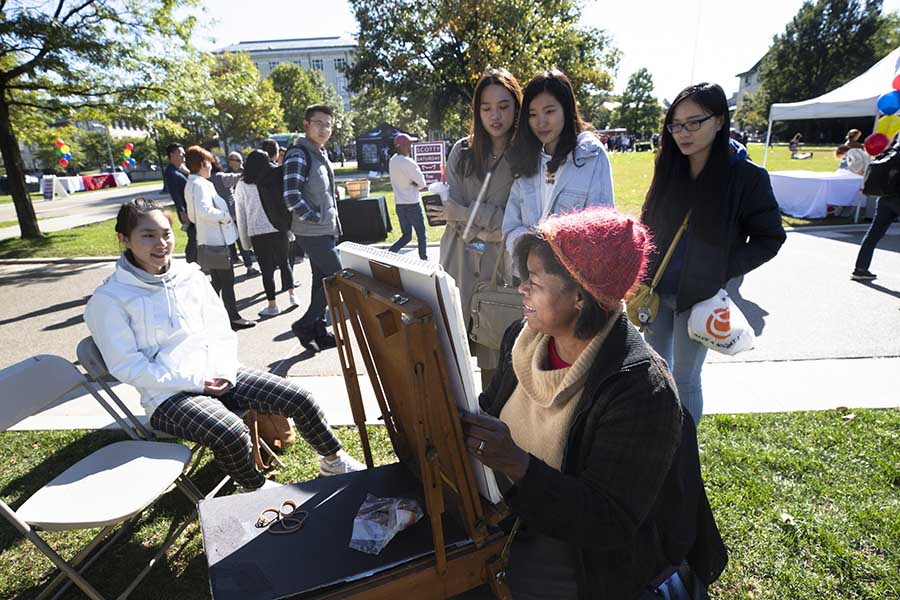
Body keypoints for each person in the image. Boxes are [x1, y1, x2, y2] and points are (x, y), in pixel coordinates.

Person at [460, 208, 726, 600]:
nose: (521, 288)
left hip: (591, 560)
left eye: (534, 280)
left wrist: (516, 462)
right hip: (514, 515)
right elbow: (492, 409)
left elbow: (609, 523)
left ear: (580, 297)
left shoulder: (640, 389)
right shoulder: (523, 336)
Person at [84, 198, 364, 491]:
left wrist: (223, 373)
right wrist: (199, 382)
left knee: (300, 398)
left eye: (166, 233)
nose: (161, 243)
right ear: (124, 239)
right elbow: (128, 367)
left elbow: (220, 329)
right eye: (147, 235)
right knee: (231, 431)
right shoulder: (109, 300)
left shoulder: (189, 275)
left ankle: (334, 460)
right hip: (167, 397)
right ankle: (255, 489)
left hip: (219, 374)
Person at [639, 83, 785, 425]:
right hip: (656, 292)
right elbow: (648, 222)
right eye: (675, 124)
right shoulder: (670, 166)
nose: (683, 133)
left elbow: (770, 237)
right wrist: (641, 270)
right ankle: (659, 438)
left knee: (686, 378)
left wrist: (722, 270)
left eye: (694, 122)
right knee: (656, 369)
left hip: (700, 298)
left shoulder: (746, 177)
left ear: (719, 121)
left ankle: (684, 452)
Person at [429, 67, 523, 388]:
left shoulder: (524, 157)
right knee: (451, 355)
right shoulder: (462, 151)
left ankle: (492, 430)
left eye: (503, 106)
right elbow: (447, 210)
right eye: (486, 107)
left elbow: (511, 221)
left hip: (499, 269)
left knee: (493, 361)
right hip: (457, 262)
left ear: (516, 106)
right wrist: (483, 226)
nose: (494, 115)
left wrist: (465, 214)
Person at [503, 68, 614, 259]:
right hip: (531, 281)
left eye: (549, 111)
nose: (541, 122)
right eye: (533, 114)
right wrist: (533, 250)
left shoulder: (591, 156)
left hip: (574, 281)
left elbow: (602, 230)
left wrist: (555, 250)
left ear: (566, 109)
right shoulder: (527, 161)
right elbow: (510, 229)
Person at [283, 104, 342, 353]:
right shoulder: (299, 153)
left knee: (322, 282)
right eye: (319, 123)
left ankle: (319, 331)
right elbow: (291, 196)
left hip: (326, 230)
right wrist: (316, 217)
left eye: (328, 124)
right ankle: (305, 324)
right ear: (306, 124)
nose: (324, 129)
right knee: (339, 278)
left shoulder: (320, 152)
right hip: (312, 232)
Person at [183, 145, 255, 330]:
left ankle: (210, 316)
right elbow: (203, 210)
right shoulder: (199, 184)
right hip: (217, 241)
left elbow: (193, 215)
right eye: (209, 163)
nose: (211, 166)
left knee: (217, 282)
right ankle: (233, 317)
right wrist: (224, 217)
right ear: (201, 164)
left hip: (210, 240)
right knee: (226, 281)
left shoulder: (192, 183)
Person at [235, 150, 298, 315]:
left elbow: (240, 214)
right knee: (284, 263)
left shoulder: (242, 184)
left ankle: (272, 305)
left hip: (257, 232)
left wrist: (244, 241)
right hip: (279, 228)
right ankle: (292, 295)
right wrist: (290, 229)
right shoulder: (274, 179)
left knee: (266, 270)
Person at [851, 133, 900, 281]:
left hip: (885, 197)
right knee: (874, 234)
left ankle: (860, 269)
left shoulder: (892, 151)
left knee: (873, 234)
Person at [211, 155, 257, 275]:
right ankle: (249, 266)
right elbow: (238, 177)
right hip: (232, 214)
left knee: (226, 241)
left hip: (217, 215)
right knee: (241, 242)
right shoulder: (221, 177)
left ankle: (225, 267)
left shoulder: (205, 180)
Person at [388, 133, 428, 260]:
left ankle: (390, 253)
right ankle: (424, 260)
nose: (411, 147)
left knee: (406, 236)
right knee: (421, 235)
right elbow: (422, 184)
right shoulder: (409, 162)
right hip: (412, 204)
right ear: (402, 146)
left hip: (399, 204)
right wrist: (414, 183)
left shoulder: (393, 160)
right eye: (409, 144)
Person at [163, 143, 196, 263]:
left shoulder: (181, 169)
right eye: (180, 153)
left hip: (191, 208)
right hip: (186, 210)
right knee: (194, 237)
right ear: (172, 155)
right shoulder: (171, 172)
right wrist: (182, 212)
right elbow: (175, 194)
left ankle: (194, 261)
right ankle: (191, 262)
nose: (183, 155)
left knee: (196, 237)